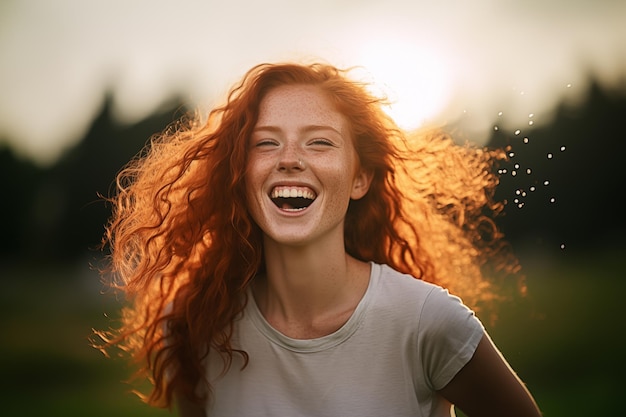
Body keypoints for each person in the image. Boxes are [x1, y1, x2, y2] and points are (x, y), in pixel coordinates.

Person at [95, 61, 542, 416]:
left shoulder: (428, 322)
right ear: (238, 175)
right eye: (265, 143)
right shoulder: (195, 326)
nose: (289, 159)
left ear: (360, 178)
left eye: (320, 143)